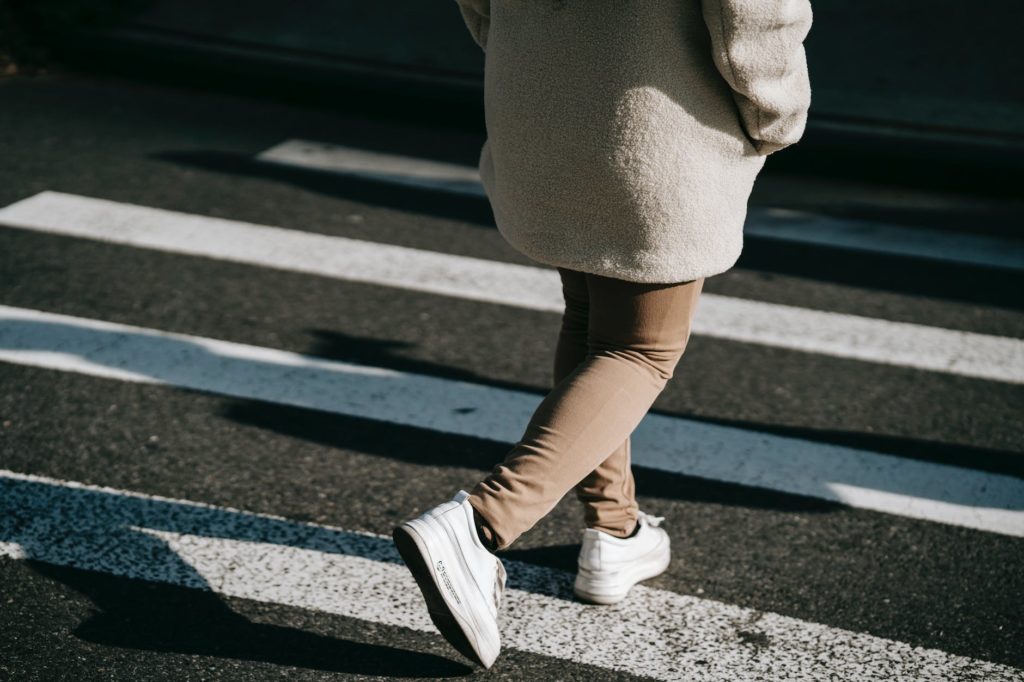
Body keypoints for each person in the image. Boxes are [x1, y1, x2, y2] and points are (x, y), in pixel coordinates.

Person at [393, 0, 813, 669]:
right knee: (641, 349)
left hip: (540, 96)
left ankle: (613, 531)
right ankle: (480, 522)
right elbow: (754, 12)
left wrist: (518, 48)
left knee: (594, 323)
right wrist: (778, 111)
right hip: (658, 116)